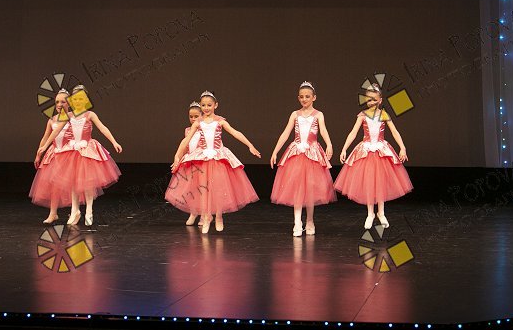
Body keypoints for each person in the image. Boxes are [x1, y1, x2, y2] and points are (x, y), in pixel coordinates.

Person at [166, 90, 260, 234]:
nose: (206, 108)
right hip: (203, 158)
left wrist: (250, 145)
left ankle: (219, 217)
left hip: (217, 158)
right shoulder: (198, 123)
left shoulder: (220, 121)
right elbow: (186, 140)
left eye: (209, 105)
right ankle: (206, 217)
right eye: (203, 105)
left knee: (218, 188)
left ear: (215, 105)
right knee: (203, 189)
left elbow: (235, 132)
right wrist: (177, 156)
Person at [36, 84, 122, 225]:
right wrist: (45, 146)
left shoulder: (90, 115)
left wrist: (114, 142)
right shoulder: (68, 116)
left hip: (87, 150)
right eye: (75, 99)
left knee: (87, 183)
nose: (78, 101)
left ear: (86, 99)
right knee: (73, 183)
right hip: (72, 151)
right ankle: (75, 211)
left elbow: (102, 128)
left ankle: (89, 210)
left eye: (81, 98)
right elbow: (56, 131)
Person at [334, 83, 412, 229]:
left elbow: (394, 132)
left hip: (381, 151)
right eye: (368, 99)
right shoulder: (362, 115)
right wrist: (344, 149)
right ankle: (370, 213)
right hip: (366, 150)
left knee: (381, 181)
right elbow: (353, 132)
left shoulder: (384, 115)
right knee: (369, 181)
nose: (371, 102)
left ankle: (381, 212)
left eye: (374, 99)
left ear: (380, 100)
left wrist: (402, 148)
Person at [270, 81, 337, 236]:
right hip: (296, 154)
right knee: (297, 188)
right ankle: (297, 222)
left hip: (312, 154)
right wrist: (275, 151)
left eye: (307, 96)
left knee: (310, 189)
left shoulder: (318, 114)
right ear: (298, 98)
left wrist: (329, 144)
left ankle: (310, 221)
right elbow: (285, 133)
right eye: (301, 97)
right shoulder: (295, 114)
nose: (304, 99)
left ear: (314, 97)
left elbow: (323, 131)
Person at [29, 89, 72, 223]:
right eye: (57, 102)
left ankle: (74, 211)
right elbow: (45, 138)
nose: (59, 104)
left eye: (63, 102)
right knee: (54, 184)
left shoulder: (73, 117)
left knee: (72, 183)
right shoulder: (52, 120)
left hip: (69, 153)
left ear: (69, 103)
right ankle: (53, 213)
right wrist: (38, 154)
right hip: (55, 154)